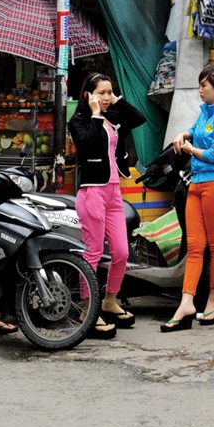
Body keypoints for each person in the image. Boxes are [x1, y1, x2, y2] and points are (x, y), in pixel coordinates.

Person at [68, 71, 147, 336]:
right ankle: (87, 308)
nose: (106, 97)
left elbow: (139, 118)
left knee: (122, 252)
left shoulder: (112, 115)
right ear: (88, 95)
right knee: (92, 252)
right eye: (101, 93)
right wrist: (93, 114)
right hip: (92, 192)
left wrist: (116, 99)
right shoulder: (78, 122)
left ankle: (110, 301)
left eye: (109, 92)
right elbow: (87, 144)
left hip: (114, 192)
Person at [162, 65, 214, 331]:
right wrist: (182, 135)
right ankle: (186, 302)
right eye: (199, 85)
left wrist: (190, 149)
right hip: (197, 184)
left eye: (204, 86)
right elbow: (195, 131)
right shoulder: (206, 111)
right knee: (195, 246)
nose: (200, 90)